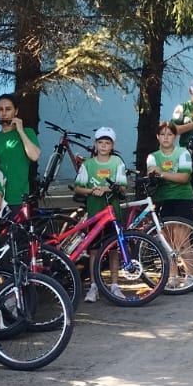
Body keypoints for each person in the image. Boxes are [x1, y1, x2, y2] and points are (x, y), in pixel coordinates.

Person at [73, 127, 128, 302]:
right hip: (94, 213)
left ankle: (114, 285)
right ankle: (94, 286)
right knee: (94, 251)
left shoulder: (117, 162)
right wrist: (91, 190)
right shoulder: (88, 164)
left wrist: (107, 189)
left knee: (113, 250)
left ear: (112, 145)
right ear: (95, 144)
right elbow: (78, 187)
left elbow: (123, 187)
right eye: (100, 142)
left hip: (112, 213)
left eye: (107, 143)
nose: (103, 146)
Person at [145, 122, 193, 287]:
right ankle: (173, 276)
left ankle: (190, 275)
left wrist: (161, 173)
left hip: (182, 198)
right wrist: (161, 174)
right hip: (162, 199)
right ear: (157, 137)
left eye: (169, 134)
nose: (166, 138)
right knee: (167, 242)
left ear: (175, 137)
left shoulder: (182, 153)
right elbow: (151, 173)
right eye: (162, 134)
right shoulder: (153, 156)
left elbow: (184, 177)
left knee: (181, 241)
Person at [0, 94, 40, 206]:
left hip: (19, 197)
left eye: (8, 109)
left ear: (16, 111)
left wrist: (20, 131)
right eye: (0, 109)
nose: (4, 113)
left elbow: (35, 156)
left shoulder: (28, 132)